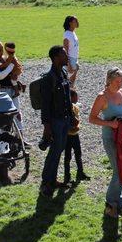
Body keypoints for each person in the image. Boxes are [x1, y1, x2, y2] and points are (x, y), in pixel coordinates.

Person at [89, 67, 122, 217]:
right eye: (117, 81)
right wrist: (110, 124)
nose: (120, 84)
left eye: (121, 81)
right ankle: (111, 203)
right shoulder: (102, 97)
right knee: (118, 170)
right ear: (109, 81)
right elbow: (91, 118)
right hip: (110, 138)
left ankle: (117, 200)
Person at [40, 46, 73, 198]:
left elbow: (68, 97)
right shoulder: (48, 79)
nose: (66, 56)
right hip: (55, 121)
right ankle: (46, 183)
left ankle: (52, 180)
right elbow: (45, 106)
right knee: (54, 152)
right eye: (63, 54)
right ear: (55, 58)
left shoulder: (64, 73)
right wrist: (47, 127)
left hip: (65, 119)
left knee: (58, 150)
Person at [0, 40, 24, 131]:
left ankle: (20, 138)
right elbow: (0, 76)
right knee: (4, 115)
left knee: (17, 113)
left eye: (1, 50)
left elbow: (18, 68)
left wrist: (15, 74)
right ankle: (4, 138)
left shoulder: (5, 58)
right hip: (1, 92)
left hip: (12, 90)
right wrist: (11, 65)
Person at [63, 89, 89, 185]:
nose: (77, 98)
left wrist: (77, 127)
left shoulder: (75, 108)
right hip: (68, 136)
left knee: (78, 154)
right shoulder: (65, 109)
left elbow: (78, 120)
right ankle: (67, 177)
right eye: (75, 96)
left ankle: (80, 172)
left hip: (75, 135)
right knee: (68, 156)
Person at [63, 16, 80, 86]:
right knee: (70, 79)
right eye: (75, 21)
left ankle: (70, 92)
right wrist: (68, 63)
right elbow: (65, 50)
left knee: (73, 77)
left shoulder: (73, 32)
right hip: (70, 58)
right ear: (70, 23)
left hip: (74, 58)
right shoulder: (67, 34)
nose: (77, 22)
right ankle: (69, 92)